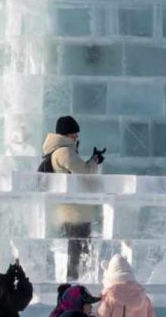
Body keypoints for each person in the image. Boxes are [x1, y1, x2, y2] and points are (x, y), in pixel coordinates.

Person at [37, 117, 106, 279]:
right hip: (74, 211)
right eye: (73, 134)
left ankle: (72, 281)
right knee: (78, 250)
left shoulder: (55, 151)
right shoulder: (64, 152)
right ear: (66, 134)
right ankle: (74, 282)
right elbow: (86, 173)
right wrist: (95, 160)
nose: (76, 137)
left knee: (75, 249)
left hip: (68, 210)